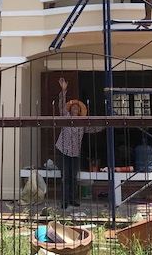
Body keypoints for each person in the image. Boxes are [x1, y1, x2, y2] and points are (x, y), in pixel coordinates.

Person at [55, 77, 103, 209]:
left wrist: (106, 123)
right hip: (63, 151)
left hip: (75, 153)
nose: (75, 108)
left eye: (77, 108)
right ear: (70, 110)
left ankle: (71, 199)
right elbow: (61, 105)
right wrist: (63, 91)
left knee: (73, 177)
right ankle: (64, 200)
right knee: (65, 177)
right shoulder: (65, 117)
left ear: (80, 111)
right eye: (73, 107)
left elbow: (93, 129)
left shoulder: (82, 123)